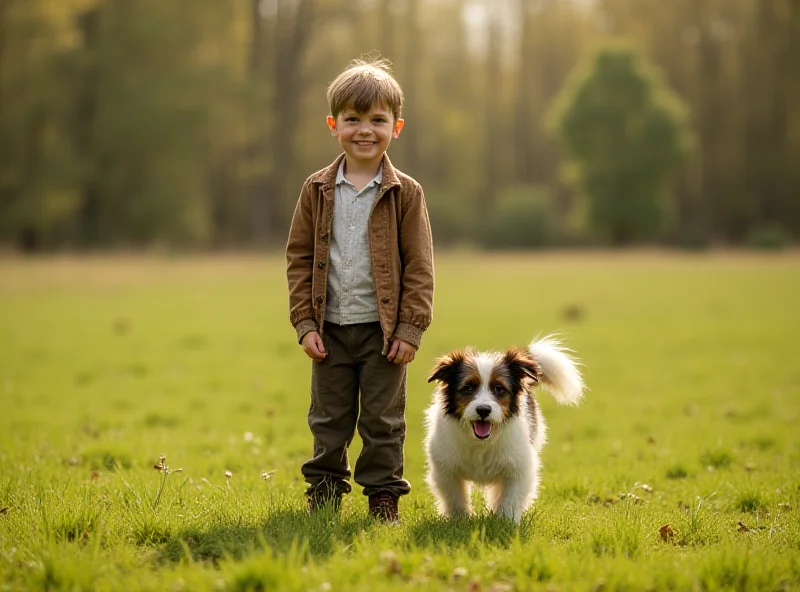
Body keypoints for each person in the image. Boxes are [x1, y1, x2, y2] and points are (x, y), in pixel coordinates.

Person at [285, 57, 434, 522]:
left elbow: (420, 268)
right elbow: (299, 258)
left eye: (377, 120)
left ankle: (383, 497)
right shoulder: (316, 190)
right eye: (352, 119)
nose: (364, 130)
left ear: (397, 126)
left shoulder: (405, 194)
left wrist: (409, 329)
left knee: (383, 420)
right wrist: (305, 322)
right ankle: (325, 491)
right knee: (328, 419)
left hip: (383, 333)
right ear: (334, 125)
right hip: (329, 330)